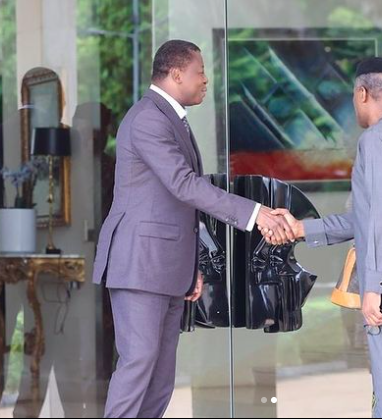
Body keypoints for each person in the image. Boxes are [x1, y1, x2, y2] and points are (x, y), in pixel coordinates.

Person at [92, 39, 293, 418]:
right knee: (139, 367)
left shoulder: (171, 118)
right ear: (176, 73)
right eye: (200, 71)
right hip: (141, 264)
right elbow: (184, 184)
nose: (206, 80)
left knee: (160, 377)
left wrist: (191, 265)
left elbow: (177, 204)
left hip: (165, 266)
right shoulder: (149, 118)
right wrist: (256, 214)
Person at [277, 57, 382, 418]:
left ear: (362, 93)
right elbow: (366, 218)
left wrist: (374, 288)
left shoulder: (377, 140)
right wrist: (302, 229)